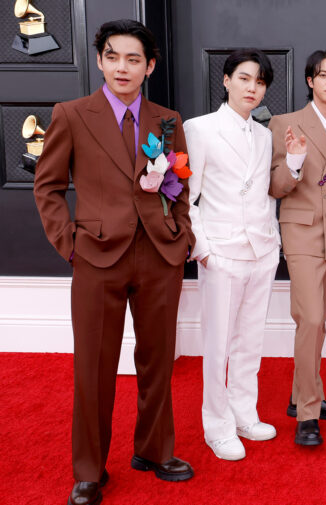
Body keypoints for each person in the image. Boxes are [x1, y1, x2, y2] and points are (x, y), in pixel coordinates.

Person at [33, 19, 195, 505]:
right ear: (101, 60)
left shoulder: (168, 120)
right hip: (96, 257)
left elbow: (179, 184)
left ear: (149, 66)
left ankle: (153, 449)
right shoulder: (71, 114)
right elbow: (49, 187)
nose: (122, 67)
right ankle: (89, 469)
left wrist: (180, 235)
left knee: (157, 361)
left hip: (159, 254)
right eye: (113, 56)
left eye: (133, 59)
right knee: (94, 367)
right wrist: (71, 244)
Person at [184, 49, 279, 461]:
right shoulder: (199, 129)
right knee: (218, 345)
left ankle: (244, 414)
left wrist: (272, 242)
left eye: (259, 82)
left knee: (250, 342)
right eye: (244, 78)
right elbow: (186, 197)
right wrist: (203, 250)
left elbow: (262, 194)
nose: (252, 88)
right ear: (226, 81)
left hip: (261, 250)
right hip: (221, 253)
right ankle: (216, 425)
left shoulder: (265, 134)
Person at [268, 48, 326, 446]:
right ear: (310, 80)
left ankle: (299, 395)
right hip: (302, 233)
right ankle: (308, 412)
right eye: (323, 75)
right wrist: (294, 162)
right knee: (310, 319)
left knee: (318, 322)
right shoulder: (284, 123)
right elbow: (275, 187)